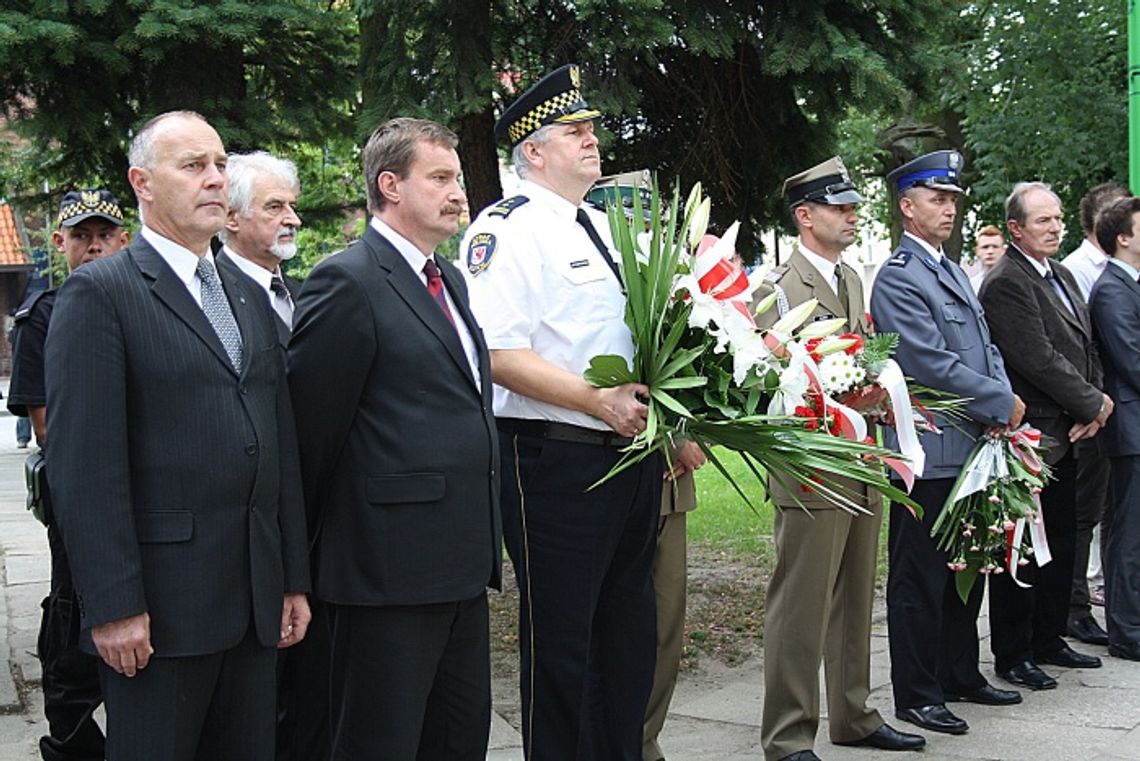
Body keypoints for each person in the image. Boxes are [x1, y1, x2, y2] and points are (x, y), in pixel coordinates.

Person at [44, 110, 311, 761]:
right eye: (194, 165)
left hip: (253, 606)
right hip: (160, 614)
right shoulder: (101, 294)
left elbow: (278, 444)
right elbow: (84, 469)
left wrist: (291, 577)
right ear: (142, 182)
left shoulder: (246, 292)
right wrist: (113, 605)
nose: (215, 178)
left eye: (220, 164)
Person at [461, 64, 662, 760]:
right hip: (555, 458)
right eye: (573, 131)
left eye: (590, 129)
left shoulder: (602, 226)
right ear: (534, 151)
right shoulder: (506, 229)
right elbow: (497, 352)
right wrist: (596, 400)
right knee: (564, 643)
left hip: (630, 453)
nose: (591, 140)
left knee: (629, 635)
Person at [287, 117, 501, 760]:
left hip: (461, 567)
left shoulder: (449, 278)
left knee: (458, 741)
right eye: (440, 178)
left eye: (457, 178)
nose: (458, 193)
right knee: (379, 743)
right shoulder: (346, 281)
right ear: (390, 185)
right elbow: (310, 438)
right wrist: (300, 570)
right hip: (384, 575)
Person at [751, 158, 925, 761]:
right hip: (812, 466)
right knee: (801, 603)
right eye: (840, 207)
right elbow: (768, 382)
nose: (853, 216)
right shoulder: (775, 288)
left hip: (860, 456)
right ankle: (787, 735)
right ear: (804, 215)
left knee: (854, 597)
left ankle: (853, 714)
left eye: (854, 207)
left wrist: (876, 396)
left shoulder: (850, 278)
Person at [870, 150, 1025, 737]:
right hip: (928, 451)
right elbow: (928, 363)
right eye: (938, 199)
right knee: (920, 577)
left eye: (953, 199)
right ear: (907, 207)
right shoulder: (899, 276)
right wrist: (998, 402)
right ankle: (917, 693)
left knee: (966, 567)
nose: (950, 208)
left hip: (971, 445)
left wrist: (1002, 400)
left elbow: (985, 348)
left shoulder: (951, 268)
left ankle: (959, 673)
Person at [8, 189, 129, 761]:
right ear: (60, 243)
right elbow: (48, 427)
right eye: (82, 236)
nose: (94, 246)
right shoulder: (44, 315)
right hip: (78, 499)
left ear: (124, 240)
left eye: (105, 235)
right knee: (73, 625)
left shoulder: (146, 302)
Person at [979, 181, 1109, 690]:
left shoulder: (1060, 274)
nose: (1055, 228)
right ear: (1015, 229)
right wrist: (1091, 403)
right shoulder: (1006, 282)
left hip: (1072, 429)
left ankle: (1050, 637)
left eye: (1057, 218)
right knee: (1022, 549)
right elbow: (1037, 358)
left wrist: (1096, 402)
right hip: (1033, 435)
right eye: (1043, 221)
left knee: (1060, 537)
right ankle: (1015, 652)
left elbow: (1086, 344)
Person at [1064, 182, 1129, 644]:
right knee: (1084, 513)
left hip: (1109, 410)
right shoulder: (1081, 270)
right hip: (1089, 410)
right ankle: (1075, 607)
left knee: (1108, 511)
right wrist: (1090, 403)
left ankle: (1099, 600)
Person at [1088, 195, 1140, 662]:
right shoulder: (1112, 290)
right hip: (1130, 428)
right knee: (1128, 531)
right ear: (1123, 238)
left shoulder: (1130, 285)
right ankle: (1127, 630)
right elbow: (1132, 360)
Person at [217, 151, 303, 346]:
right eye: (275, 207)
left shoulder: (302, 294)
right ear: (231, 218)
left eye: (292, 206)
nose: (294, 220)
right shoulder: (213, 295)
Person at [969, 224, 1005, 293]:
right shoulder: (970, 286)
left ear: (1004, 251)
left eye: (995, 247)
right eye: (985, 247)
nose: (990, 251)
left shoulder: (1017, 282)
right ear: (977, 251)